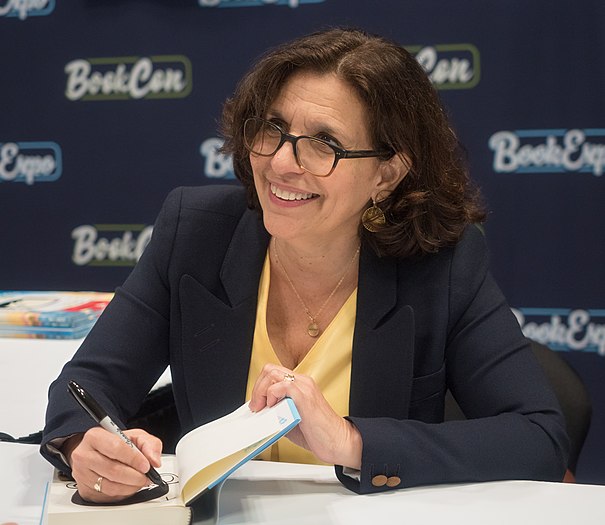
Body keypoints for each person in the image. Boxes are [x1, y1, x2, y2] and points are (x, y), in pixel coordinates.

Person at [41, 27, 569, 501]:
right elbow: (83, 387)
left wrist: (351, 440)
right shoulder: (196, 231)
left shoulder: (442, 265)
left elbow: (538, 436)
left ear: (387, 173)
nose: (280, 162)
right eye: (273, 128)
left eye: (326, 144)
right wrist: (83, 445)